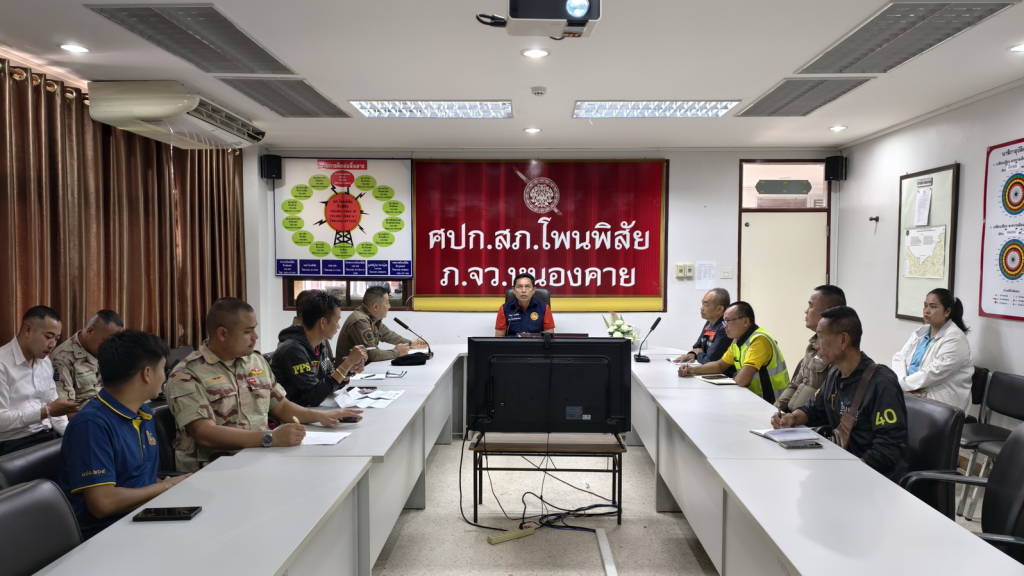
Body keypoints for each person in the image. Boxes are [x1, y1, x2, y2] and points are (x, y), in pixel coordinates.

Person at [166, 298, 363, 472]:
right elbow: (204, 433)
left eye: (254, 329)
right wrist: (270, 438)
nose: (255, 337)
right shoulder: (187, 374)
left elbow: (281, 406)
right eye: (248, 331)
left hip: (260, 456)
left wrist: (323, 416)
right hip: (214, 469)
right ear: (223, 333)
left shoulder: (255, 361)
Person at [60, 330, 189, 539]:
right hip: (107, 534)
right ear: (147, 374)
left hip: (145, 516)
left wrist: (165, 485)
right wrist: (166, 486)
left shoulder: (143, 413)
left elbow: (139, 479)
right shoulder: (91, 425)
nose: (164, 377)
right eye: (162, 369)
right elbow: (103, 503)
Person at [772, 306, 908, 481]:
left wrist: (848, 472)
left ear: (843, 340)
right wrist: (792, 418)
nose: (816, 345)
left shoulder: (881, 383)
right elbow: (815, 409)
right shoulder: (835, 373)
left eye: (820, 336)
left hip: (871, 477)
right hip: (840, 464)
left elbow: (889, 447)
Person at [0, 306, 79, 455]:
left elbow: (54, 406)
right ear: (27, 330)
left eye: (56, 339)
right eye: (48, 337)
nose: (52, 344)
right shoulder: (2, 364)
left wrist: (70, 435)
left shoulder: (45, 363)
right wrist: (45, 412)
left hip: (47, 435)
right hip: (14, 443)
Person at [678, 301, 789, 403]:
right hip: (751, 398)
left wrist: (735, 376)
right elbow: (720, 365)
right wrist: (692, 370)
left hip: (771, 403)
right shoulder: (737, 340)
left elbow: (742, 380)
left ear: (745, 322)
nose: (724, 326)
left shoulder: (759, 340)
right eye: (724, 322)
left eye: (728, 321)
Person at [272, 290, 367, 407]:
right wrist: (347, 364)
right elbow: (313, 397)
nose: (338, 326)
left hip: (311, 410)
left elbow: (328, 383)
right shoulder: (293, 350)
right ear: (323, 322)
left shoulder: (320, 344)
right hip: (294, 415)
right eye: (337, 321)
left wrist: (348, 370)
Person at [891, 288, 973, 410]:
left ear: (947, 311)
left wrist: (904, 386)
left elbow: (934, 373)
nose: (926, 311)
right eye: (925, 306)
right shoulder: (921, 333)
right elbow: (899, 357)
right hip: (911, 392)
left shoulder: (955, 339)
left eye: (933, 307)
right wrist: (901, 383)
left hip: (941, 404)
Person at [775, 285, 847, 412]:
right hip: (792, 416)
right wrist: (775, 409)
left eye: (811, 306)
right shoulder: (812, 346)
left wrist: (796, 418)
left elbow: (829, 400)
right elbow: (795, 384)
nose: (806, 311)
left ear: (828, 312)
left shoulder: (837, 351)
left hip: (809, 420)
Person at [50, 309, 125, 404]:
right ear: (90, 330)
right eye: (106, 341)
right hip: (87, 412)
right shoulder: (62, 358)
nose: (111, 346)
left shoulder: (111, 350)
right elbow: (64, 408)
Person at [336, 286, 426, 363]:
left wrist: (410, 343)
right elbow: (373, 355)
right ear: (375, 307)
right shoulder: (360, 321)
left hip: (362, 369)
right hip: (348, 374)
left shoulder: (373, 318)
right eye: (387, 303)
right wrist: (397, 352)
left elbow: (389, 335)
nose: (389, 306)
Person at [673, 288, 731, 364]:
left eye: (706, 304)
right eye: (702, 304)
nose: (701, 308)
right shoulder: (709, 323)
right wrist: (692, 354)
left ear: (719, 309)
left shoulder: (725, 328)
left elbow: (710, 360)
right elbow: (697, 346)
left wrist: (698, 353)